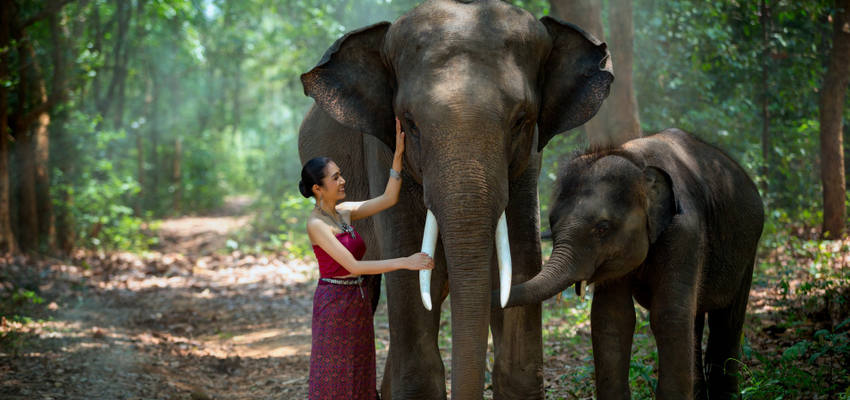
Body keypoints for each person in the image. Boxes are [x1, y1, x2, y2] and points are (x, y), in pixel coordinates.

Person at [299, 118, 433, 399]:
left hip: (356, 302)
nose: (343, 180)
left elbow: (387, 199)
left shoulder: (344, 211)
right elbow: (355, 266)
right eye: (335, 177)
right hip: (334, 304)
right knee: (335, 372)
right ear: (317, 189)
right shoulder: (317, 225)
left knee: (359, 367)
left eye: (340, 174)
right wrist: (405, 262)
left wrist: (397, 157)